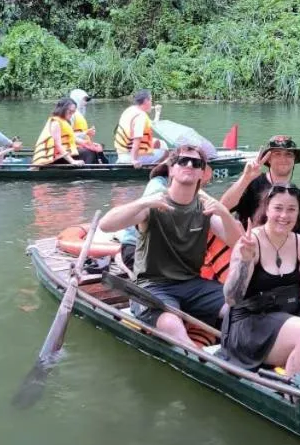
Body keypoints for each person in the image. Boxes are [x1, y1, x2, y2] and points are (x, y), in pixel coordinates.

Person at [98, 146, 243, 343]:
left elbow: (238, 243)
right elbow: (105, 225)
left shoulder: (205, 208)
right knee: (171, 323)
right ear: (171, 169)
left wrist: (224, 213)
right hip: (152, 286)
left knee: (238, 309)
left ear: (202, 172)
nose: (189, 165)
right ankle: (196, 356)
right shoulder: (154, 204)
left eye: (196, 163)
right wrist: (143, 203)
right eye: (182, 161)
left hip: (192, 284)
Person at [222, 183, 300, 373]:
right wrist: (245, 261)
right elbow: (231, 298)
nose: (284, 216)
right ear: (267, 209)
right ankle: (295, 389)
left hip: (290, 313)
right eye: (278, 208)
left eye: (291, 209)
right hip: (251, 322)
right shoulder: (251, 242)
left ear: (299, 213)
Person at [220, 134, 300, 234]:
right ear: (268, 159)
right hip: (247, 241)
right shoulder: (251, 182)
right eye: (277, 154)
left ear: (294, 159)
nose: (283, 159)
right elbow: (223, 207)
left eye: (288, 154)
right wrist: (245, 179)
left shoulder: (296, 194)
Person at [114, 89, 165, 167]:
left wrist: (157, 113)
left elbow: (152, 125)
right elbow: (137, 141)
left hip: (122, 153)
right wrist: (134, 160)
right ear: (146, 101)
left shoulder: (131, 110)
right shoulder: (140, 117)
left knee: (159, 142)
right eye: (151, 101)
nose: (152, 103)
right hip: (129, 156)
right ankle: (153, 170)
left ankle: (150, 164)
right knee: (165, 153)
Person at [31, 98, 85, 168]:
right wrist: (72, 161)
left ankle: (94, 169)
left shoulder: (64, 121)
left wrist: (89, 144)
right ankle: (90, 172)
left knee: (90, 150)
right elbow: (58, 145)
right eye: (70, 111)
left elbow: (72, 139)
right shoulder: (55, 122)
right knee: (87, 153)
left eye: (73, 112)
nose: (71, 114)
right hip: (54, 158)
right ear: (63, 109)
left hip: (63, 154)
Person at [68, 88, 108, 165]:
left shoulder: (79, 114)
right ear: (77, 99)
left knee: (100, 147)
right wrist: (85, 133)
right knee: (91, 152)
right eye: (84, 100)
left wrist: (88, 134)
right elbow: (68, 136)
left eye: (87, 100)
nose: (86, 102)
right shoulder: (71, 114)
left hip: (82, 145)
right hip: (74, 147)